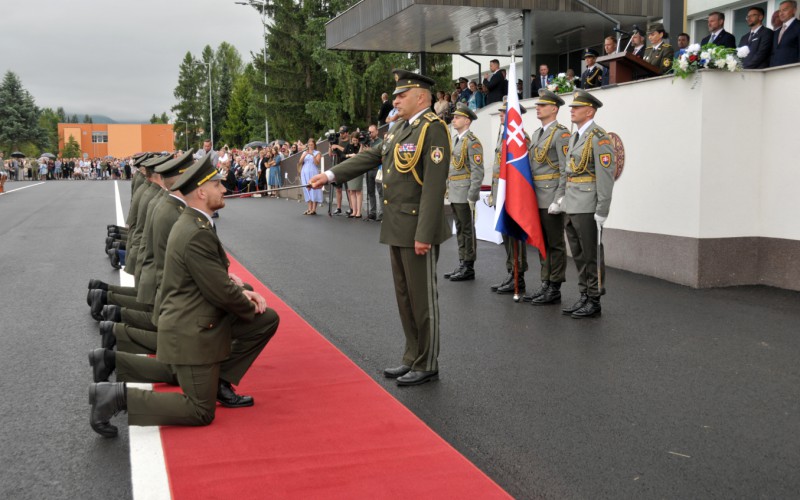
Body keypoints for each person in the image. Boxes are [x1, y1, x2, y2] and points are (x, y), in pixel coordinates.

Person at [88, 154, 281, 438]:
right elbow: (219, 291)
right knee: (200, 409)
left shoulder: (194, 221)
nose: (224, 189)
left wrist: (241, 295)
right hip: (190, 327)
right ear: (202, 192)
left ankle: (218, 378)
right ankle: (115, 398)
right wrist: (245, 298)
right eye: (218, 185)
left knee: (265, 320)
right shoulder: (194, 230)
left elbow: (213, 277)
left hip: (190, 316)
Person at [309, 69, 450, 387]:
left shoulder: (433, 129)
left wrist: (424, 234)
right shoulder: (399, 128)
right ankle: (411, 355)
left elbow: (432, 185)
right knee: (405, 297)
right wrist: (329, 176)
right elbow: (371, 156)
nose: (395, 101)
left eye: (401, 96)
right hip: (397, 224)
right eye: (396, 96)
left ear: (421, 97)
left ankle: (427, 362)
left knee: (422, 297)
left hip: (417, 227)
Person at [554, 90, 615, 319]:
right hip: (572, 203)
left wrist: (602, 209)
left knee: (591, 253)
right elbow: (568, 172)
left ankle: (594, 298)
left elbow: (605, 177)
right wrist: (561, 199)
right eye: (572, 107)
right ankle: (584, 294)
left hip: (588, 205)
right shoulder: (575, 136)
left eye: (576, 108)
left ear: (589, 111)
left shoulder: (599, 137)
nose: (572, 110)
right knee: (578, 254)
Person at [522, 89, 571, 305]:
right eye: (538, 105)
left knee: (555, 243)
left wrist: (559, 198)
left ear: (554, 109)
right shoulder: (536, 134)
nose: (538, 108)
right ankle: (545, 282)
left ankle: (555, 286)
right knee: (542, 243)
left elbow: (565, 169)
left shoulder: (562, 134)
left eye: (542, 105)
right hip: (537, 196)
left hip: (551, 195)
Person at [489, 99, 530, 295]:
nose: (501, 115)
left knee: (514, 235)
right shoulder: (502, 137)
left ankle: (518, 276)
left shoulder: (519, 138)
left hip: (513, 196)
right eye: (501, 112)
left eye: (505, 113)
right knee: (506, 236)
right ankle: (511, 272)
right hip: (501, 194)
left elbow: (520, 172)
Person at [444, 104, 483, 282]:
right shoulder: (456, 139)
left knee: (467, 229)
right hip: (455, 190)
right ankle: (462, 262)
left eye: (458, 117)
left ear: (467, 120)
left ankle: (469, 265)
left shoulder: (472, 141)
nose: (454, 119)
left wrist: (472, 195)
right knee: (459, 228)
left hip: (464, 191)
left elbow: (477, 170)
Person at [328, 126, 350, 215]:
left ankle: (351, 207)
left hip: (347, 166)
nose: (341, 134)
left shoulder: (350, 141)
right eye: (340, 133)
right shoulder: (338, 140)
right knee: (338, 188)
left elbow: (346, 151)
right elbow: (330, 154)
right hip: (338, 165)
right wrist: (330, 146)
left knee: (349, 189)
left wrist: (337, 146)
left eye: (343, 133)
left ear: (347, 133)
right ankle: (338, 207)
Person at [363, 124, 384, 221]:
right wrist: (362, 145)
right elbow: (361, 154)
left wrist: (369, 149)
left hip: (378, 169)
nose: (370, 134)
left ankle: (382, 213)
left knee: (380, 192)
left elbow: (379, 153)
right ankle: (372, 212)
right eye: (369, 132)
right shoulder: (367, 142)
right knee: (370, 192)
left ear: (377, 131)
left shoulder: (380, 142)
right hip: (369, 169)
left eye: (372, 132)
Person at [771, 0, 800, 67]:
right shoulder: (777, 32)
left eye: (785, 10)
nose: (781, 13)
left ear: (794, 10)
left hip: (792, 72)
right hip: (774, 72)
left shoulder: (798, 26)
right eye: (780, 11)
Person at [299, 138, 322, 215]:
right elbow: (300, 162)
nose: (310, 146)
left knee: (313, 188)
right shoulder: (305, 152)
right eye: (309, 145)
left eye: (312, 145)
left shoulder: (317, 152)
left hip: (313, 172)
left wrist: (313, 155)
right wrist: (304, 155)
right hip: (304, 172)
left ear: (314, 145)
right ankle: (309, 208)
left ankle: (314, 209)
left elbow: (317, 163)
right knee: (306, 189)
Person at [343, 134, 364, 219]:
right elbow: (342, 155)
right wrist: (349, 155)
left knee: (358, 191)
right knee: (351, 191)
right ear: (351, 139)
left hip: (358, 169)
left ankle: (359, 211)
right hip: (350, 168)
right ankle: (354, 210)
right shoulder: (348, 145)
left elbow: (360, 156)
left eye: (356, 140)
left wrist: (361, 146)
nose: (355, 142)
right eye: (353, 140)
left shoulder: (361, 145)